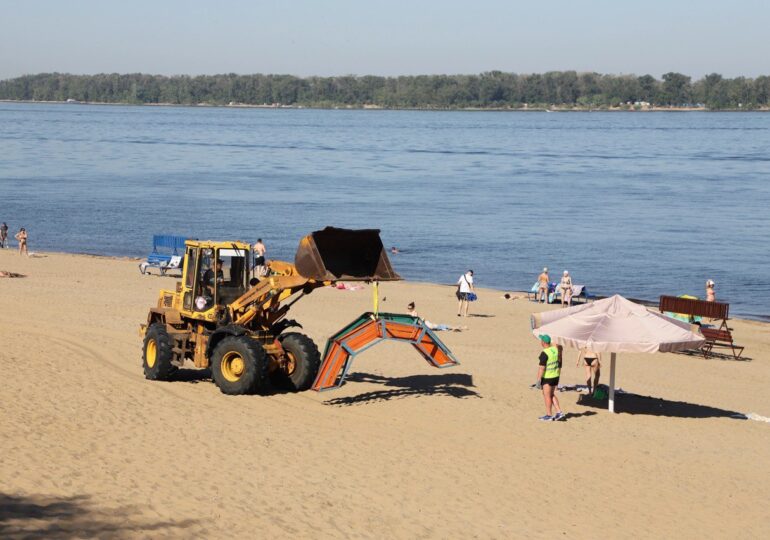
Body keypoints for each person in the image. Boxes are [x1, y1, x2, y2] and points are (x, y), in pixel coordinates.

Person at [535, 334, 563, 421]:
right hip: (555, 376)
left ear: (543, 342)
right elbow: (557, 345)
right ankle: (559, 412)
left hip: (548, 377)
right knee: (551, 394)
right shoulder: (555, 350)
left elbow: (542, 368)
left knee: (547, 395)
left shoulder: (545, 353)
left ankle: (549, 414)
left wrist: (538, 380)